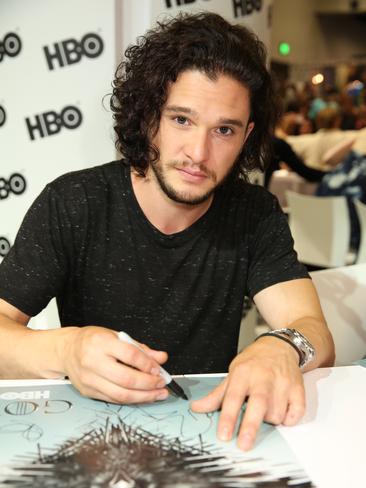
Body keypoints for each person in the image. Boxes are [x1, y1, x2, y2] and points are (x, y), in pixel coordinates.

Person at [0, 12, 334, 451]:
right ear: (147, 115)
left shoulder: (253, 213)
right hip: (89, 440)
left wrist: (281, 347)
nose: (198, 152)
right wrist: (65, 351)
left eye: (224, 130)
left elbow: (314, 332)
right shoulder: (73, 202)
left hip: (213, 437)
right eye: (181, 120)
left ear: (246, 135)